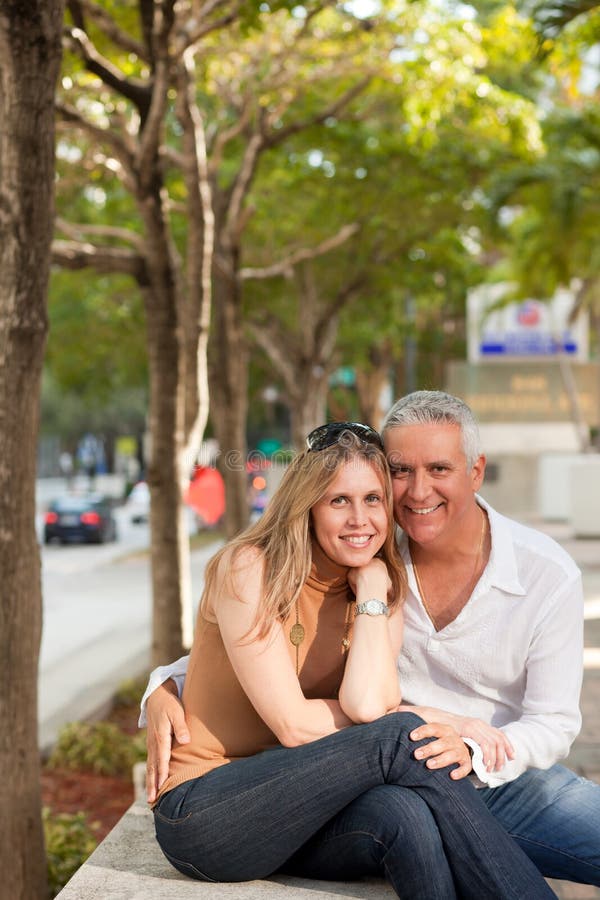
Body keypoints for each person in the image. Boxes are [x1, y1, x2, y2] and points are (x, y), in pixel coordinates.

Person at [143, 393, 600, 886]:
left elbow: (368, 706)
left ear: (476, 471)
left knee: (402, 816)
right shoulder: (288, 562)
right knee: (399, 749)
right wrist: (162, 688)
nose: (415, 493)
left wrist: (377, 592)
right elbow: (290, 702)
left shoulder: (393, 572)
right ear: (310, 505)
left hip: (479, 767)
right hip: (304, 777)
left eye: (439, 469)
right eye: (400, 471)